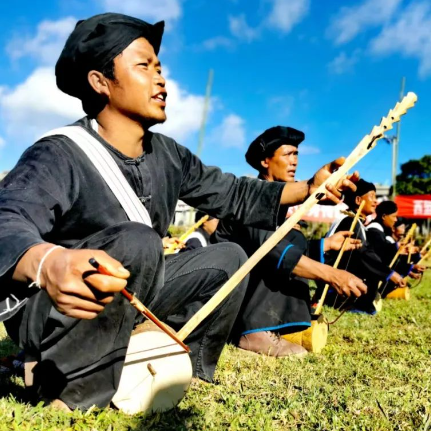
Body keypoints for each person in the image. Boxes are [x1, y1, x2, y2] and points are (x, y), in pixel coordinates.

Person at [0, 14, 358, 410]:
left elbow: (235, 193)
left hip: (133, 292)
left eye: (159, 67)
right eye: (143, 66)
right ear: (100, 82)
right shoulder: (58, 152)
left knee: (228, 258)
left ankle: (186, 367)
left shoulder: (169, 155)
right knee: (136, 240)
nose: (161, 79)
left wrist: (310, 188)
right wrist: (48, 261)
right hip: (55, 307)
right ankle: (71, 389)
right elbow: (6, 220)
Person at [214, 126, 367, 356]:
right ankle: (253, 331)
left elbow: (284, 246)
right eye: (287, 155)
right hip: (224, 293)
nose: (294, 161)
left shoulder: (279, 208)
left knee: (293, 235)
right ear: (265, 162)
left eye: (296, 154)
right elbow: (271, 249)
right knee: (282, 247)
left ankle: (273, 326)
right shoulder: (253, 197)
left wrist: (325, 245)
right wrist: (332, 275)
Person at [317, 179, 406, 313]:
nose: (376, 201)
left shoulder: (356, 222)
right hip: (333, 290)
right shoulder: (350, 222)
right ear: (358, 200)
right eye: (372, 196)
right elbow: (363, 253)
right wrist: (389, 274)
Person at [366, 201, 423, 297]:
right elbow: (381, 257)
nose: (396, 220)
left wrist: (410, 267)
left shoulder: (380, 232)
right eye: (393, 216)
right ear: (384, 216)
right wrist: (397, 248)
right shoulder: (374, 231)